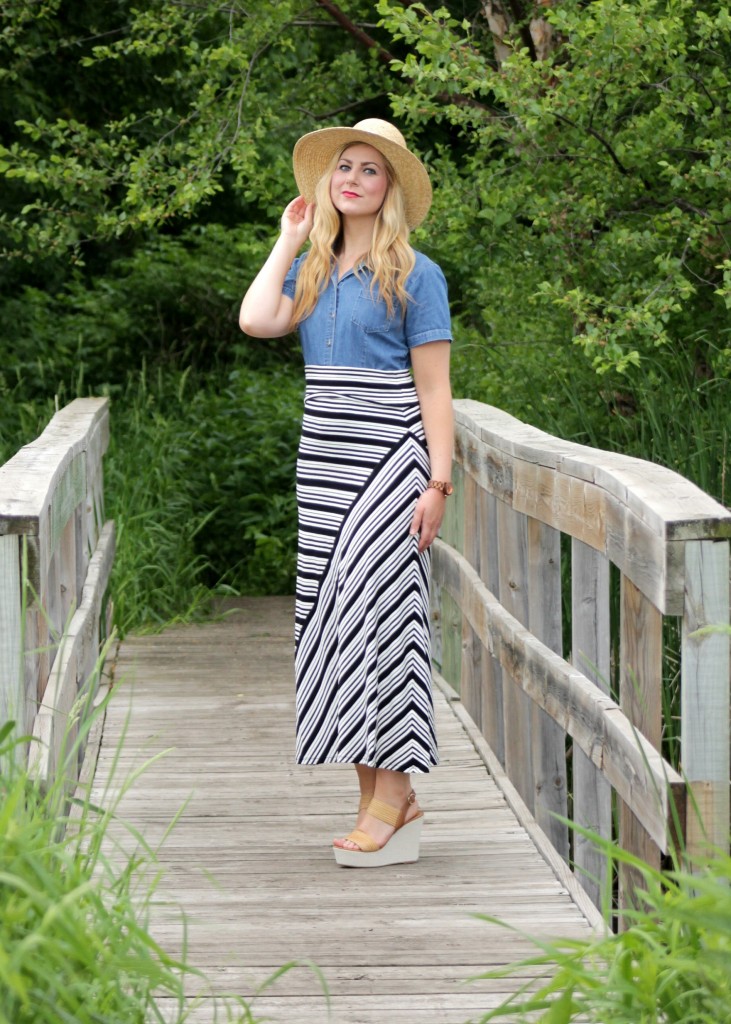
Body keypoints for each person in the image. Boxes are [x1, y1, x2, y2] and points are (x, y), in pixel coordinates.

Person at [240, 118, 453, 868]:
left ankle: (392, 796)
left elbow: (434, 387)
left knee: (385, 618)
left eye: (370, 169)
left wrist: (438, 479)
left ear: (390, 187)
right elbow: (256, 319)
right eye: (343, 167)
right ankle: (383, 796)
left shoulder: (416, 273)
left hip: (389, 459)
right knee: (334, 619)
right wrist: (288, 241)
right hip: (323, 462)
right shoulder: (315, 268)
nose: (353, 178)